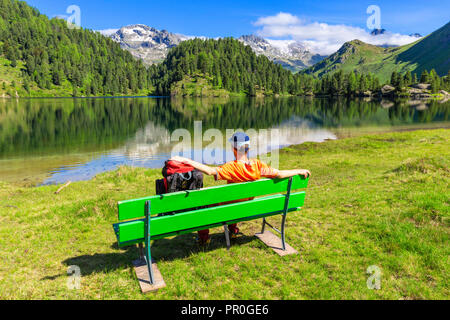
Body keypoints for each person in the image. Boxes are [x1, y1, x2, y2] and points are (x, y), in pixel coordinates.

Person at [170, 132, 311, 245]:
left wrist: (187, 161)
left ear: (234, 148)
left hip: (230, 208)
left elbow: (210, 171)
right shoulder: (258, 165)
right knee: (236, 201)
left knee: (202, 205)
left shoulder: (231, 167)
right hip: (246, 207)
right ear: (248, 148)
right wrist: (299, 170)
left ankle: (204, 238)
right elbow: (279, 174)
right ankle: (233, 230)